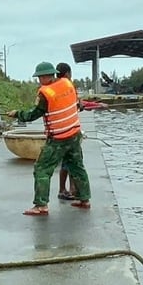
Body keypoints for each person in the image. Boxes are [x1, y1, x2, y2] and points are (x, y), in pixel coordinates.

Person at [6, 62, 91, 216]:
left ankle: (41, 205)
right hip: (74, 134)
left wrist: (17, 113)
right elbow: (75, 103)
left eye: (39, 77)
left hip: (58, 138)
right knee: (77, 166)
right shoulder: (67, 83)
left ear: (46, 76)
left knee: (42, 169)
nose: (39, 80)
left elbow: (33, 114)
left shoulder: (45, 93)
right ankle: (84, 199)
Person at [54, 62, 80, 201]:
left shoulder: (54, 87)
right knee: (73, 162)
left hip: (58, 130)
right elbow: (78, 104)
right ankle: (70, 189)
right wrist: (98, 105)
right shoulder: (69, 87)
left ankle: (65, 189)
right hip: (69, 131)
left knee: (66, 162)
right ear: (68, 74)